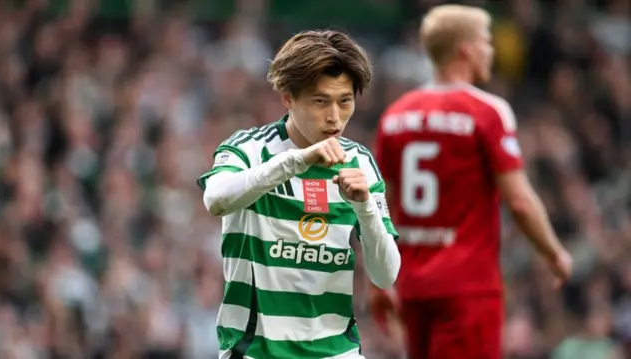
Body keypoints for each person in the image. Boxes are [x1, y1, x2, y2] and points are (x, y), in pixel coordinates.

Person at [370, 5, 574, 359]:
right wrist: (553, 253)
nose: (491, 51)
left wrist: (377, 280)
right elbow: (521, 202)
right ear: (464, 49)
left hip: (413, 286)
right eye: (486, 42)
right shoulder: (486, 111)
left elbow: (375, 205)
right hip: (466, 287)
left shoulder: (394, 116)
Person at [197, 30, 401, 359]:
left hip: (337, 352)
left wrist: (365, 208)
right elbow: (215, 200)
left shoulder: (359, 161)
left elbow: (386, 273)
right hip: (257, 352)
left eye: (345, 101)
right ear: (288, 97)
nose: (335, 117)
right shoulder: (248, 149)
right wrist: (297, 160)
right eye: (321, 101)